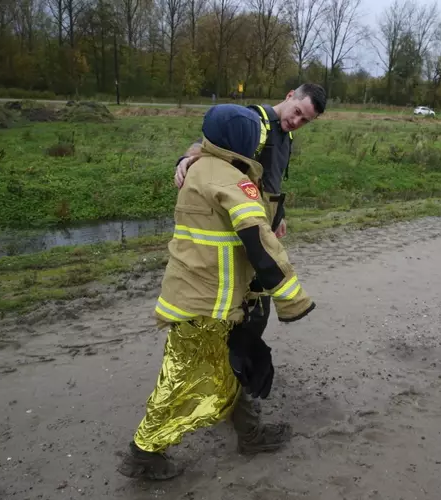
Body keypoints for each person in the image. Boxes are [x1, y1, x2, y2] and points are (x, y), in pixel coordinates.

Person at [117, 104, 316, 480]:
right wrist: (293, 298)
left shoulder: (202, 166)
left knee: (233, 365)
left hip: (200, 295)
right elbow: (258, 239)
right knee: (188, 379)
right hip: (210, 304)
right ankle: (144, 452)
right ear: (242, 142)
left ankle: (250, 433)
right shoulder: (229, 180)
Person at [173, 83, 326, 427]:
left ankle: (233, 382)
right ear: (289, 96)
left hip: (259, 227)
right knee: (247, 315)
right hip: (241, 235)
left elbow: (271, 184)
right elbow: (208, 143)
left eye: (306, 121)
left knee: (253, 315)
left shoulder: (286, 137)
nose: (297, 121)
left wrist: (279, 215)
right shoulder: (253, 121)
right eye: (298, 112)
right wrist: (186, 157)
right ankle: (234, 390)